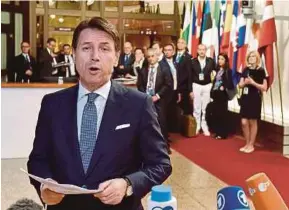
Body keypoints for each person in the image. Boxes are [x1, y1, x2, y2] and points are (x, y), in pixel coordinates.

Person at [27, 17, 172, 210]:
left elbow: (160, 164)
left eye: (104, 48)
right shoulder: (52, 104)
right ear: (75, 53)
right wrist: (45, 186)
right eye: (86, 48)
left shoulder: (138, 104)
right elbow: (38, 160)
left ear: (116, 56)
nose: (95, 56)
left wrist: (128, 184)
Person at [137, 48, 173, 154]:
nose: (151, 59)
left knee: (161, 122)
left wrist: (157, 96)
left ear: (157, 56)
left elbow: (168, 84)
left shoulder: (164, 69)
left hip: (159, 99)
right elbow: (140, 85)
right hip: (146, 100)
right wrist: (145, 96)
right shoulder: (143, 70)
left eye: (153, 56)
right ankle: (149, 146)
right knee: (147, 123)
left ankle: (165, 146)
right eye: (148, 57)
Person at [238, 51, 267, 153]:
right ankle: (247, 143)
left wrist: (253, 83)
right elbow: (240, 84)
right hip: (245, 97)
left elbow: (264, 87)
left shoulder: (261, 71)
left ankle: (251, 144)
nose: (251, 58)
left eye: (253, 56)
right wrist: (244, 83)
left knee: (252, 121)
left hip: (255, 98)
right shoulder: (245, 70)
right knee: (244, 122)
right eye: (250, 56)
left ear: (257, 58)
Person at [190, 44, 216, 136]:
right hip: (196, 85)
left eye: (203, 50)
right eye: (200, 49)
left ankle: (204, 126)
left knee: (205, 107)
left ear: (206, 51)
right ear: (197, 51)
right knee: (196, 107)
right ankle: (197, 126)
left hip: (207, 85)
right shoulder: (192, 61)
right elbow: (189, 76)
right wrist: (190, 90)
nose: (201, 51)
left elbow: (215, 74)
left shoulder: (211, 61)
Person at [209, 53, 234, 139]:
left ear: (226, 61)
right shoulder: (217, 70)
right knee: (216, 113)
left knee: (222, 114)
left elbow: (230, 83)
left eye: (222, 59)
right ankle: (217, 131)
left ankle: (222, 133)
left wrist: (224, 86)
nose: (220, 61)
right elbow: (215, 82)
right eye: (219, 59)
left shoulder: (228, 71)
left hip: (223, 95)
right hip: (216, 94)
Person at [174, 38, 193, 115]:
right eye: (178, 42)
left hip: (184, 87)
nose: (180, 44)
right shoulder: (173, 55)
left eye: (182, 43)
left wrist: (190, 89)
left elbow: (189, 74)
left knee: (184, 108)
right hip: (174, 86)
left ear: (185, 45)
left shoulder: (188, 57)